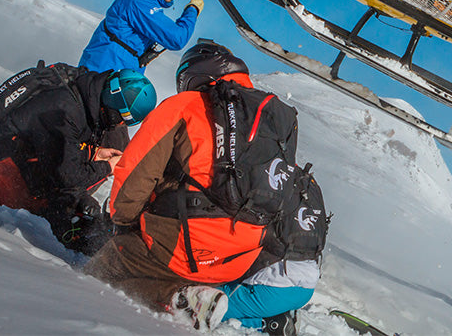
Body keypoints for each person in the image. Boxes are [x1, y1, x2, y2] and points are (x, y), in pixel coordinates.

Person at [86, 41, 323, 334]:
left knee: (105, 269)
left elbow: (134, 175)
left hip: (185, 246)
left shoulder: (183, 105)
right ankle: (212, 299)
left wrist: (122, 224)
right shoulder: (273, 119)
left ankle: (178, 299)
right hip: (241, 258)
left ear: (191, 76)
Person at [0, 63, 156, 254]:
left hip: (25, 162)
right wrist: (107, 167)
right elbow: (68, 175)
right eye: (123, 118)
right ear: (115, 107)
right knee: (55, 213)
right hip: (0, 168)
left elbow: (58, 149)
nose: (121, 124)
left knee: (80, 207)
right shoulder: (65, 109)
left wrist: (93, 154)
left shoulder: (86, 97)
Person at [80, 0, 207, 75]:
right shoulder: (140, 1)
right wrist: (192, 9)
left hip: (116, 76)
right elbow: (176, 38)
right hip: (102, 76)